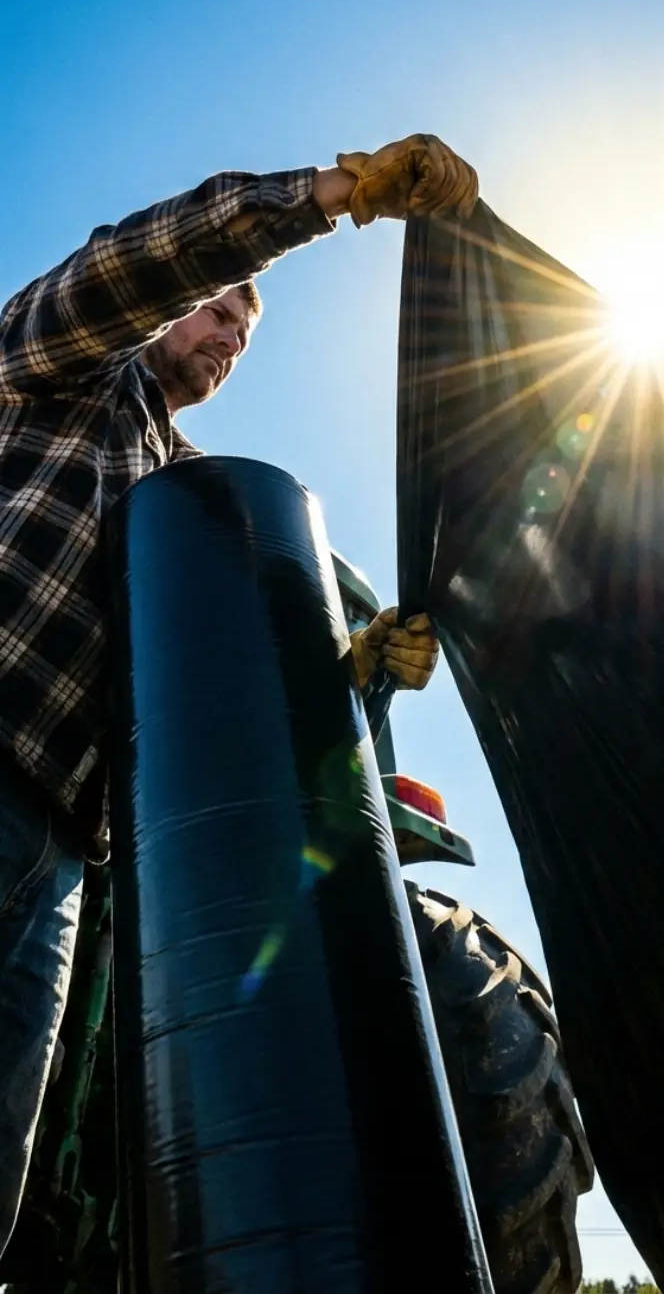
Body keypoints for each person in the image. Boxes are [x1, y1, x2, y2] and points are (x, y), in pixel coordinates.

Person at [0, 132, 478, 1256]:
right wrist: (335, 193)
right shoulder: (55, 370)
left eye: (244, 337)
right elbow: (128, 267)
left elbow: (219, 705)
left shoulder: (186, 504)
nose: (227, 338)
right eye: (217, 313)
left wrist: (347, 670)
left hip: (63, 861)